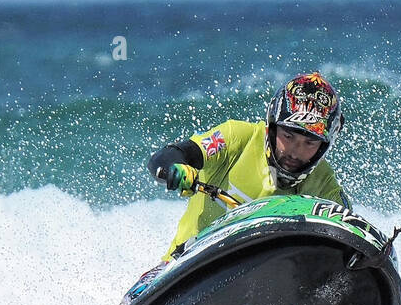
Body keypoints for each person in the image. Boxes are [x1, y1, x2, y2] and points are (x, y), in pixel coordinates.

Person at [146, 72, 351, 261]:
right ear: (272, 125)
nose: (295, 151)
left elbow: (350, 233)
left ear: (324, 146)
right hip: (186, 265)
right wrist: (177, 168)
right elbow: (167, 156)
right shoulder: (236, 138)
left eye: (310, 143)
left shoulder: (324, 184)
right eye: (288, 136)